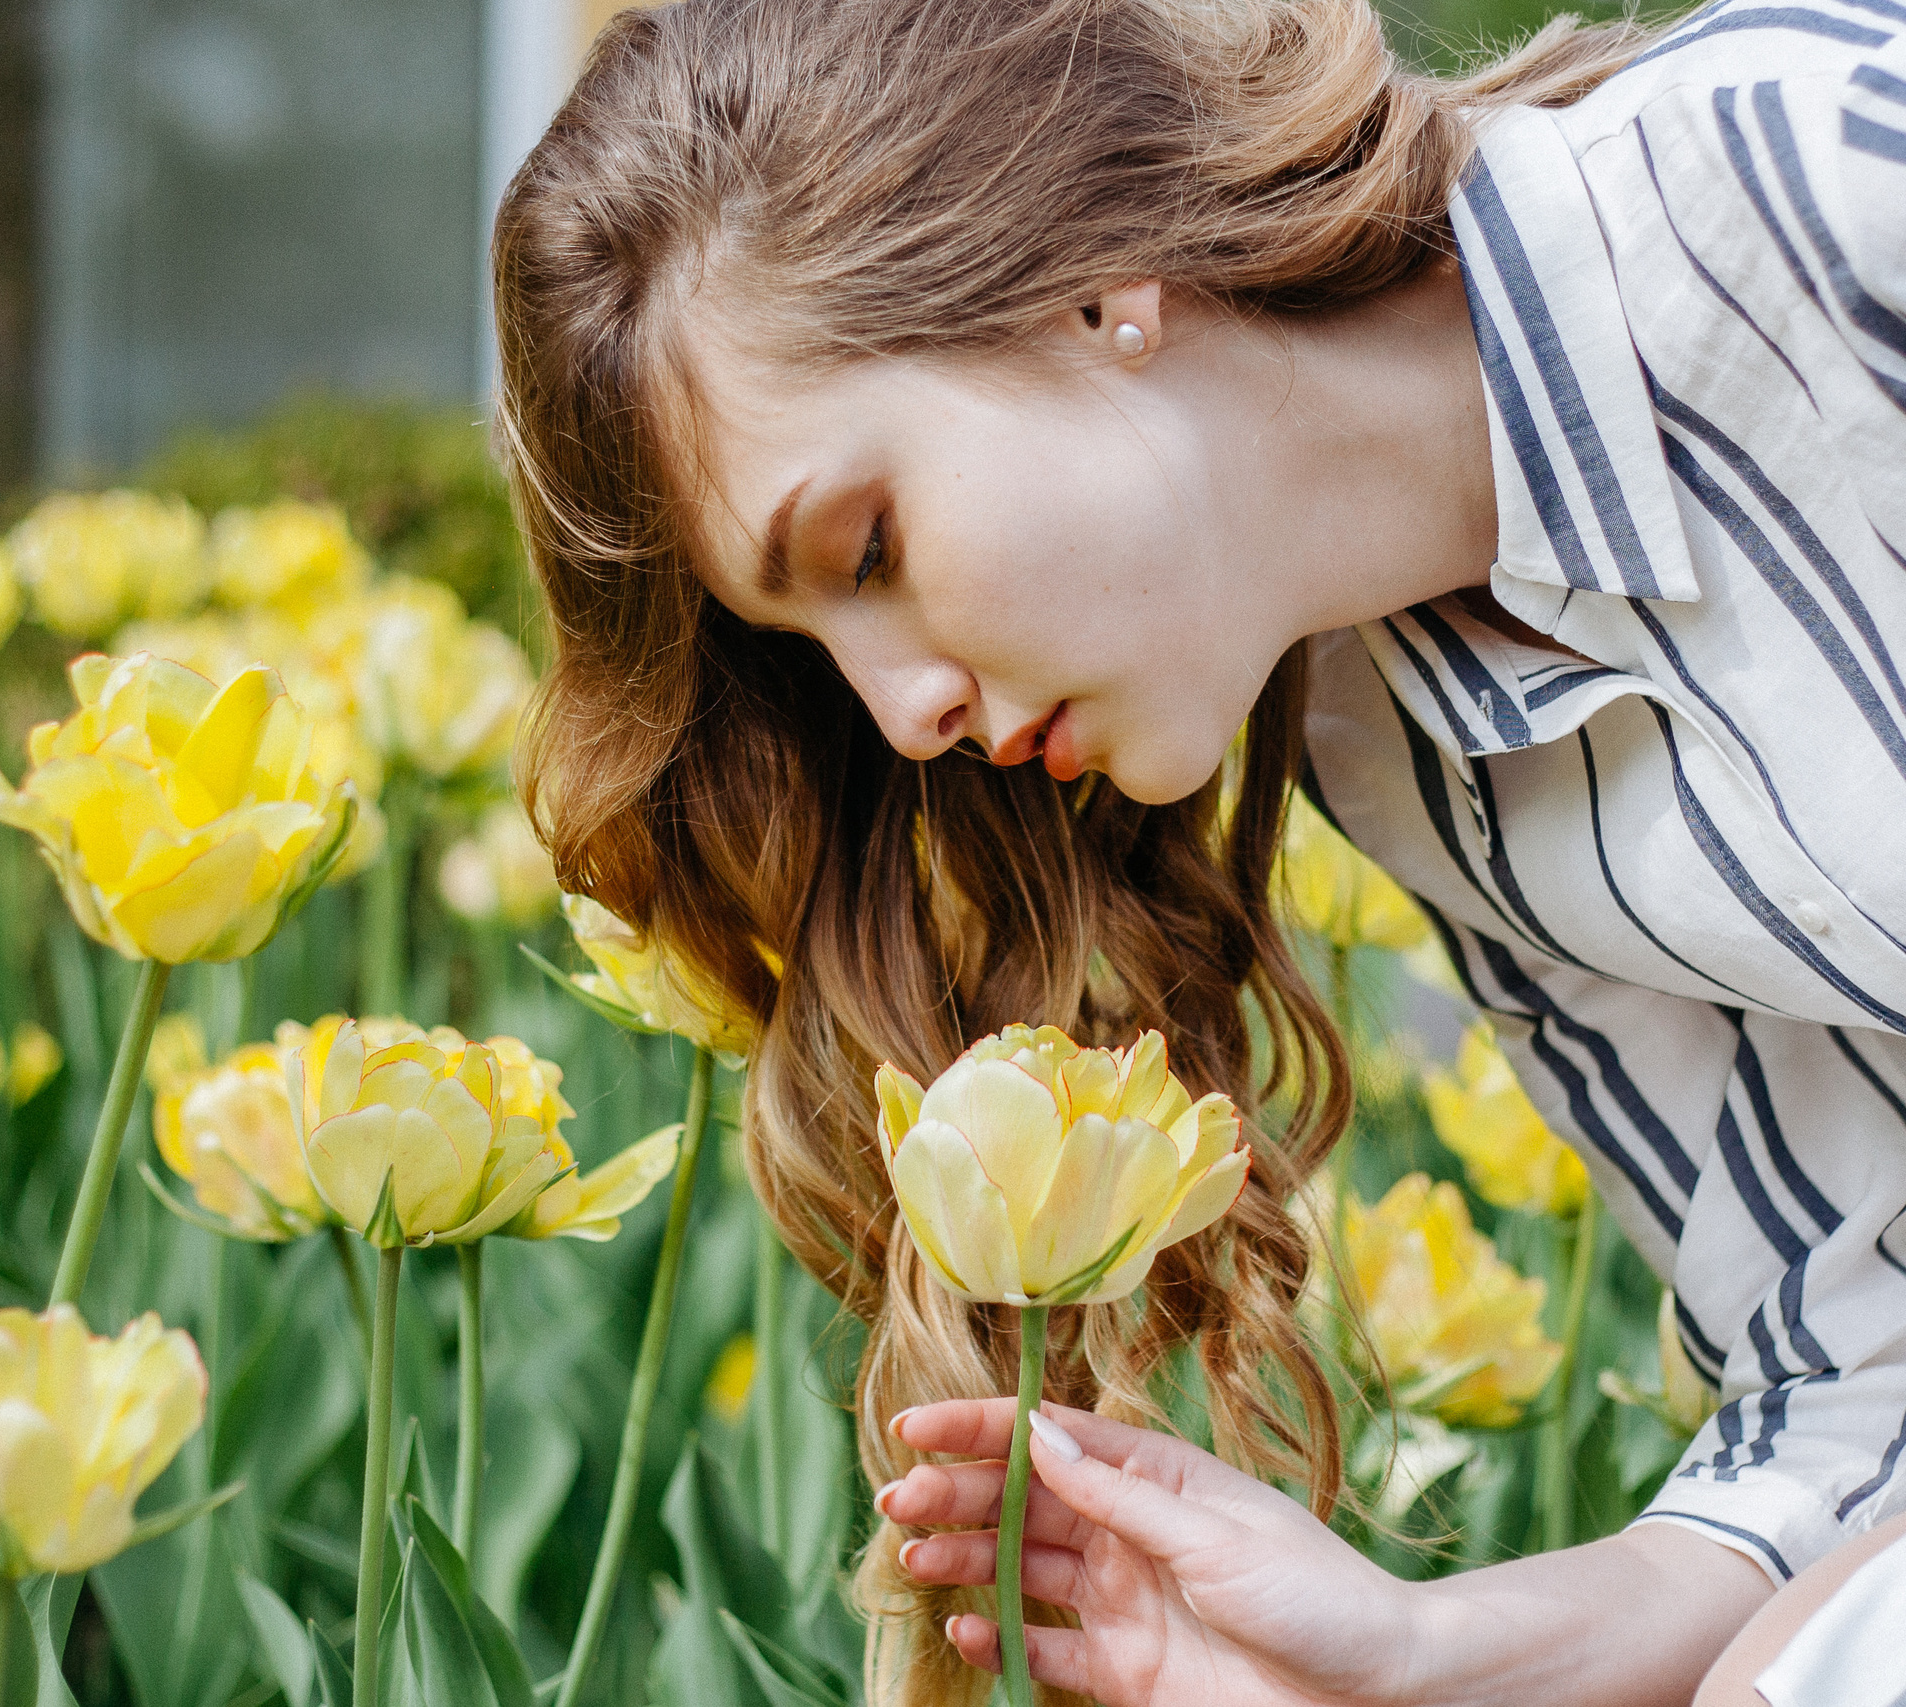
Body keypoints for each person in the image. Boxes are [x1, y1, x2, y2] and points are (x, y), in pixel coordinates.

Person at [490, 0, 1906, 1700]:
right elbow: (1860, 1390)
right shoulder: (1401, 746)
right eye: (819, 651)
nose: (903, 718)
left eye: (868, 550)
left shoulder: (1829, 184)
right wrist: (1411, 1657)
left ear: (1092, 285)